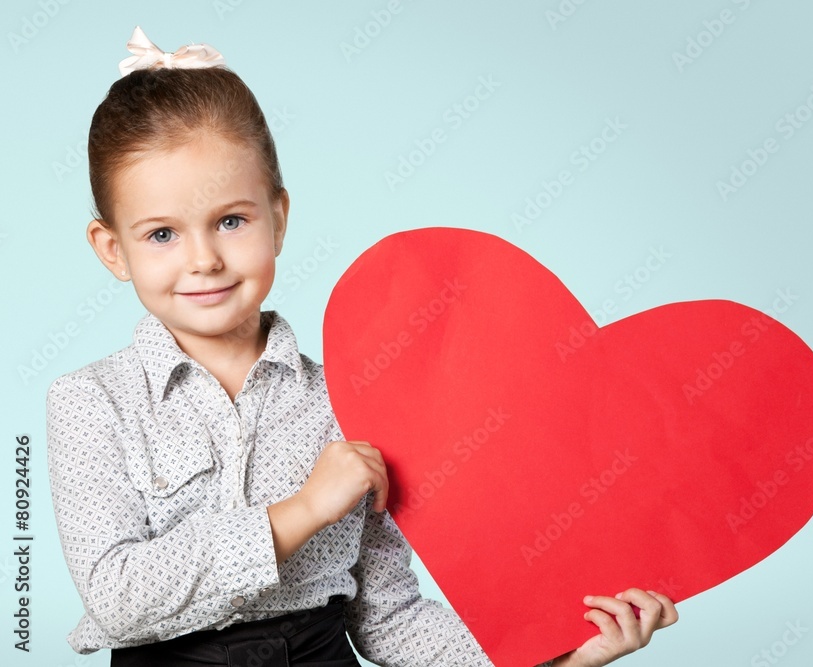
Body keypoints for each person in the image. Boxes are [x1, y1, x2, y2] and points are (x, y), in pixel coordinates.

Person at [45, 26, 678, 667]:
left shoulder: (348, 399)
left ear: (279, 219)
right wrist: (304, 510)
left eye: (231, 221)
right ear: (112, 249)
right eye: (161, 234)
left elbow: (391, 622)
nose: (203, 259)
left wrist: (558, 656)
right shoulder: (90, 403)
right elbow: (117, 597)